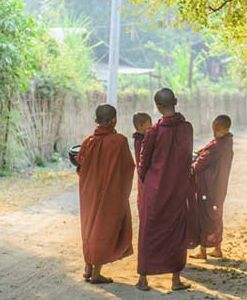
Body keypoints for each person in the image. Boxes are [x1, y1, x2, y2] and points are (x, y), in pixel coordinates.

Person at [137, 88, 193, 292]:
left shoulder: (153, 131)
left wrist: (148, 180)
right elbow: (187, 157)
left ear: (158, 107)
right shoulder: (187, 128)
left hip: (155, 189)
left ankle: (143, 278)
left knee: (149, 230)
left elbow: (144, 161)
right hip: (178, 187)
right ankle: (175, 279)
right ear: (175, 102)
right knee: (176, 232)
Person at [76, 104, 135, 284]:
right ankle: (96, 274)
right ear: (113, 120)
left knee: (89, 226)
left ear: (97, 120)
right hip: (110, 193)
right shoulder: (119, 141)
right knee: (104, 229)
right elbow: (128, 168)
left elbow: (80, 166)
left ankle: (88, 266)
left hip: (89, 192)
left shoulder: (88, 141)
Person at [189, 115, 234, 260]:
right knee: (216, 215)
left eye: (217, 130)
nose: (214, 133)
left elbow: (202, 161)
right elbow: (205, 151)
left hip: (209, 187)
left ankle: (203, 251)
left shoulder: (219, 146)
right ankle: (217, 248)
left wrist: (191, 168)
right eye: (213, 129)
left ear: (226, 129)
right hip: (219, 188)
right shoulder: (226, 141)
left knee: (205, 216)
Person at [132, 112, 153, 209]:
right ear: (141, 125)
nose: (152, 126)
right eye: (149, 123)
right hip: (145, 175)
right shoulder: (140, 141)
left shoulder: (141, 139)